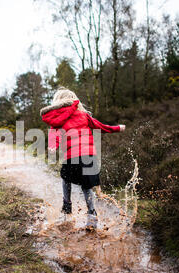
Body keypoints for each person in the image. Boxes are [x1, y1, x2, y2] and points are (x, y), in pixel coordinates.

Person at [40, 88, 125, 230]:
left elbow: (54, 133)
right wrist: (117, 128)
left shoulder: (57, 120)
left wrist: (52, 146)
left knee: (66, 179)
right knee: (87, 186)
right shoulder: (83, 115)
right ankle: (92, 214)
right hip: (88, 155)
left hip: (71, 157)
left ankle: (67, 207)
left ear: (57, 103)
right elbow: (101, 127)